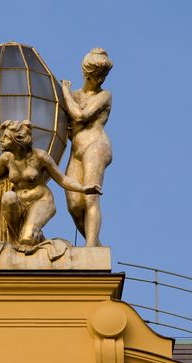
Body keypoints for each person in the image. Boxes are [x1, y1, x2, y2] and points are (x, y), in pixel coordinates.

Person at [0, 120, 102, 251]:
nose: (1, 140)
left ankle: (30, 235)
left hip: (41, 201)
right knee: (8, 197)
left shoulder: (40, 157)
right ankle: (24, 237)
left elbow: (62, 179)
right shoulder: (6, 159)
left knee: (27, 239)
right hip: (19, 203)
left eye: (6, 137)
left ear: (18, 140)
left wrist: (83, 188)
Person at [60, 48, 113, 247]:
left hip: (96, 146)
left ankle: (90, 247)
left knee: (91, 197)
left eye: (104, 75)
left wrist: (64, 90)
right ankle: (96, 246)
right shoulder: (73, 96)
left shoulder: (105, 96)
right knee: (74, 204)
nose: (101, 80)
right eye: (97, 75)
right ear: (86, 74)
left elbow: (80, 116)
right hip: (77, 151)